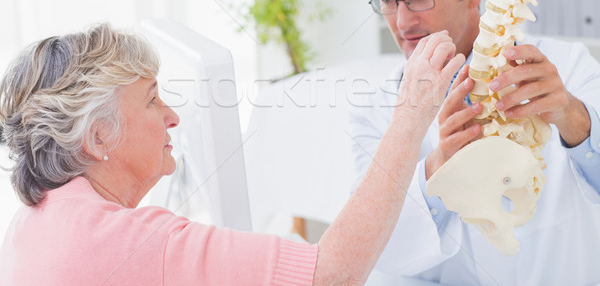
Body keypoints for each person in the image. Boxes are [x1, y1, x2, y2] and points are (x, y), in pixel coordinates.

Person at [0, 23, 463, 285]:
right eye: (151, 99)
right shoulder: (135, 241)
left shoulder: (32, 222)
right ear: (98, 137)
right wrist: (411, 114)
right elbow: (331, 275)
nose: (173, 116)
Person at [350, 0, 600, 285]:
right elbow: (372, 246)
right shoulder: (374, 111)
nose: (401, 23)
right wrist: (438, 168)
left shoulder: (567, 65)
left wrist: (572, 117)